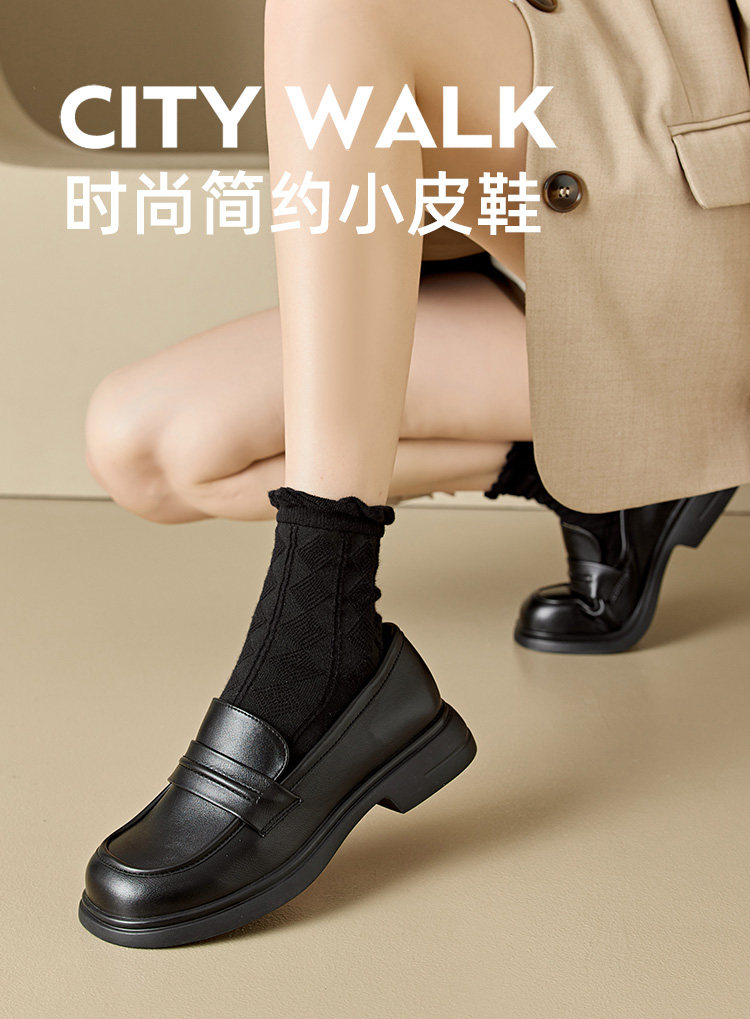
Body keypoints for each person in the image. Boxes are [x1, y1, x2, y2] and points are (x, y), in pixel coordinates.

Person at [77, 0, 749, 946]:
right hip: (515, 251)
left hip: (673, 218)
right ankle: (617, 474)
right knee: (148, 447)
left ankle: (320, 636)